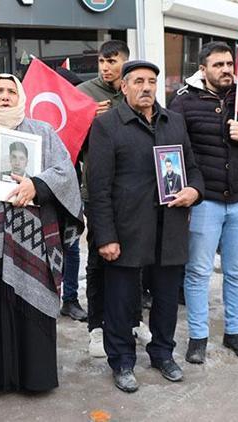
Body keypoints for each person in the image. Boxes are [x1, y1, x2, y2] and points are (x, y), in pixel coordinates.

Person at [0, 74, 83, 405]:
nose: (6, 96)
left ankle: (32, 377)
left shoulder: (43, 132)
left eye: (12, 90)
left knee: (28, 304)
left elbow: (66, 172)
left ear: (21, 95)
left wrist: (37, 185)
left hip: (32, 238)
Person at [88, 60, 204, 393]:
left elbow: (193, 170)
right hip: (127, 231)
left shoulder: (174, 122)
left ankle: (163, 353)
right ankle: (122, 361)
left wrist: (193, 191)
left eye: (152, 81)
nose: (146, 87)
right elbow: (99, 187)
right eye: (138, 81)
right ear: (123, 87)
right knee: (122, 302)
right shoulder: (108, 126)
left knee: (167, 299)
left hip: (170, 228)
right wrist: (106, 236)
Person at [168, 41, 238, 364]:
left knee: (237, 271)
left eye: (229, 64)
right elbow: (174, 149)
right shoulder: (183, 102)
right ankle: (198, 337)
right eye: (218, 65)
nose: (226, 70)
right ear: (203, 69)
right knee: (197, 272)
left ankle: (235, 333)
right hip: (204, 202)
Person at [77, 39, 151, 358]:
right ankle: (97, 326)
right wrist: (88, 119)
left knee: (133, 259)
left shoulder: (135, 90)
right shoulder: (83, 94)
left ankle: (134, 320)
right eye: (101, 62)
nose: (106, 67)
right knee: (98, 259)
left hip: (135, 192)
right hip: (97, 192)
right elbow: (67, 141)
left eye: (113, 61)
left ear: (126, 62)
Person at [54, 65, 88, 323]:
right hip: (40, 189)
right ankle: (46, 298)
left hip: (70, 187)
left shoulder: (75, 116)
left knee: (72, 246)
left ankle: (71, 299)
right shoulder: (36, 110)